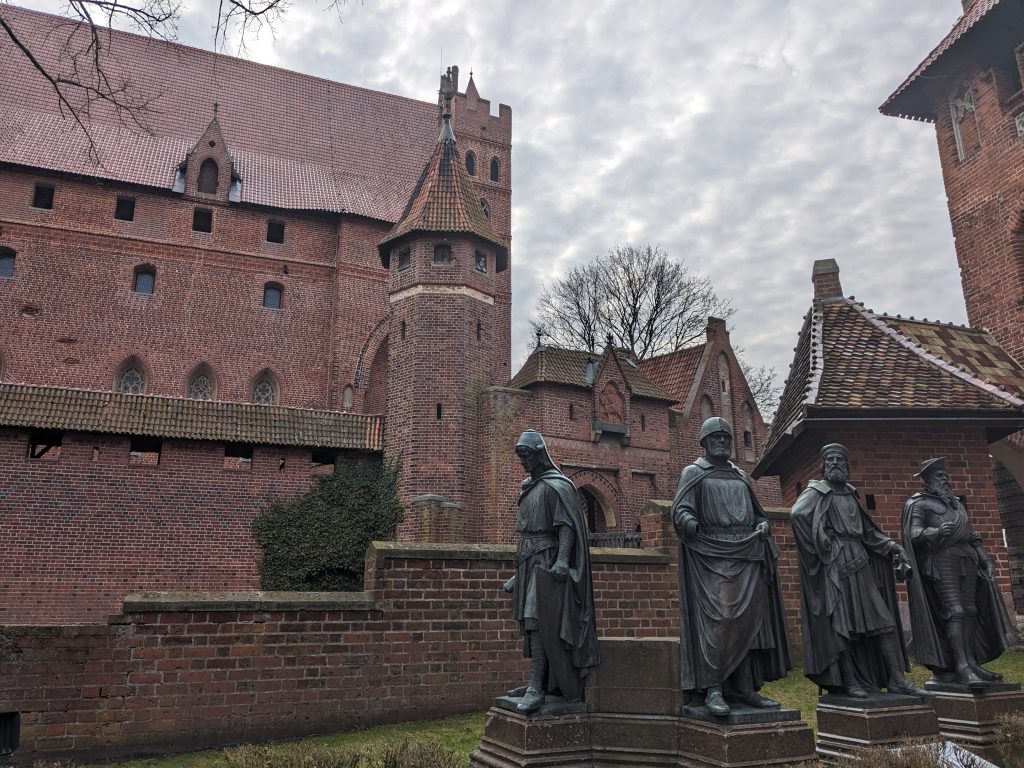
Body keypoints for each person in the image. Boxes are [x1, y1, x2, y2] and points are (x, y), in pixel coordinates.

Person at [671, 417, 791, 717]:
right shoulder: (693, 473)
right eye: (716, 437)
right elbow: (681, 510)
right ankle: (714, 687)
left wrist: (763, 525)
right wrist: (689, 522)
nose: (723, 441)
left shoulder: (740, 476)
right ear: (704, 442)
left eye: (726, 437)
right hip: (712, 555)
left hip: (747, 553)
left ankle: (745, 688)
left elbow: (758, 514)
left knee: (750, 623)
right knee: (721, 622)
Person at [791, 443, 928, 698]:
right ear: (823, 466)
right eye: (830, 460)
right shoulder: (817, 492)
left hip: (861, 564)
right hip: (836, 566)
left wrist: (894, 548)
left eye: (839, 460)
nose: (835, 464)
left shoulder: (851, 495)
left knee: (883, 622)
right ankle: (849, 681)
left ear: (847, 466)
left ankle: (896, 678)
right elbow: (798, 515)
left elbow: (869, 534)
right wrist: (821, 544)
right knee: (844, 626)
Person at [504, 429, 599, 713]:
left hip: (547, 561)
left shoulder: (558, 485)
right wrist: (518, 573)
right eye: (520, 457)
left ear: (540, 454)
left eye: (527, 456)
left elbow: (565, 525)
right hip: (527, 560)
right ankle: (542, 681)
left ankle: (536, 686)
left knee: (537, 620)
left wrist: (562, 561)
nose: (524, 462)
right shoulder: (529, 487)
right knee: (529, 623)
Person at [901, 458, 1014, 687]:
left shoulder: (956, 505)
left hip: (968, 558)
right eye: (939, 476)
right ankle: (960, 665)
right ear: (928, 480)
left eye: (945, 475)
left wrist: (985, 559)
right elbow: (912, 533)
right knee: (955, 611)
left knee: (971, 610)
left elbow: (972, 536)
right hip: (942, 560)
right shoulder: (920, 504)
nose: (945, 479)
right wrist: (935, 531)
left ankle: (972, 663)